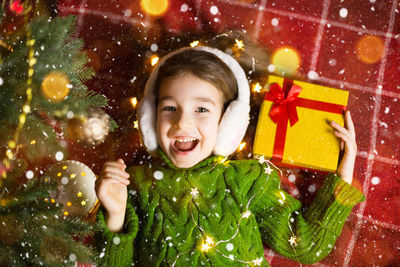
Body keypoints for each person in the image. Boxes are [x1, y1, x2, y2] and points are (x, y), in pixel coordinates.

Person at [94, 46, 364, 266]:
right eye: (170, 108)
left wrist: (343, 173)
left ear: (228, 122)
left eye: (201, 109)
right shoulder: (135, 185)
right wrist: (116, 215)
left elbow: (306, 246)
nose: (182, 124)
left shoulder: (249, 180)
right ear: (150, 117)